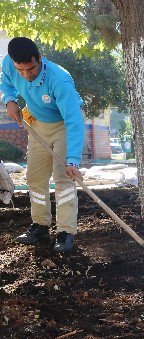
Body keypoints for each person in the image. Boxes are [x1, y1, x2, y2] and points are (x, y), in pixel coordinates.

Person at [1, 37, 84, 253]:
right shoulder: (9, 64)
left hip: (63, 126)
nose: (27, 74)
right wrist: (10, 100)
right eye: (21, 70)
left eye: (31, 68)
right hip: (37, 125)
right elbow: (6, 81)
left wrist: (73, 159)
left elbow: (74, 121)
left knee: (63, 177)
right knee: (35, 178)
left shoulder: (59, 80)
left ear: (39, 58)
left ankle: (65, 232)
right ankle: (40, 225)